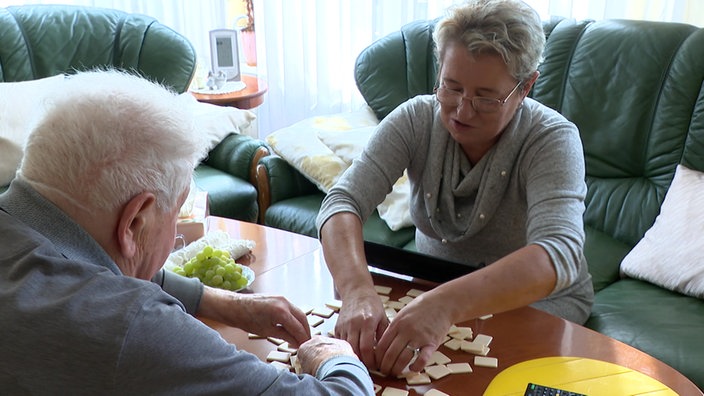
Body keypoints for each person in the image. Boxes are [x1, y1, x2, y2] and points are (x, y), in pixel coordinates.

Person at [0, 70, 374, 395]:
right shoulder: (132, 324)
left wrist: (221, 302)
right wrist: (336, 357)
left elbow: (95, 261)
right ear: (134, 223)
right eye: (177, 212)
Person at [316, 0, 594, 377]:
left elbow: (557, 253)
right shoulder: (416, 118)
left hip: (536, 305)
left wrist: (443, 306)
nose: (462, 111)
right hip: (430, 288)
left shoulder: (553, 139)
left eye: (486, 97)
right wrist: (356, 290)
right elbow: (342, 202)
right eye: (452, 87)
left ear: (527, 85)